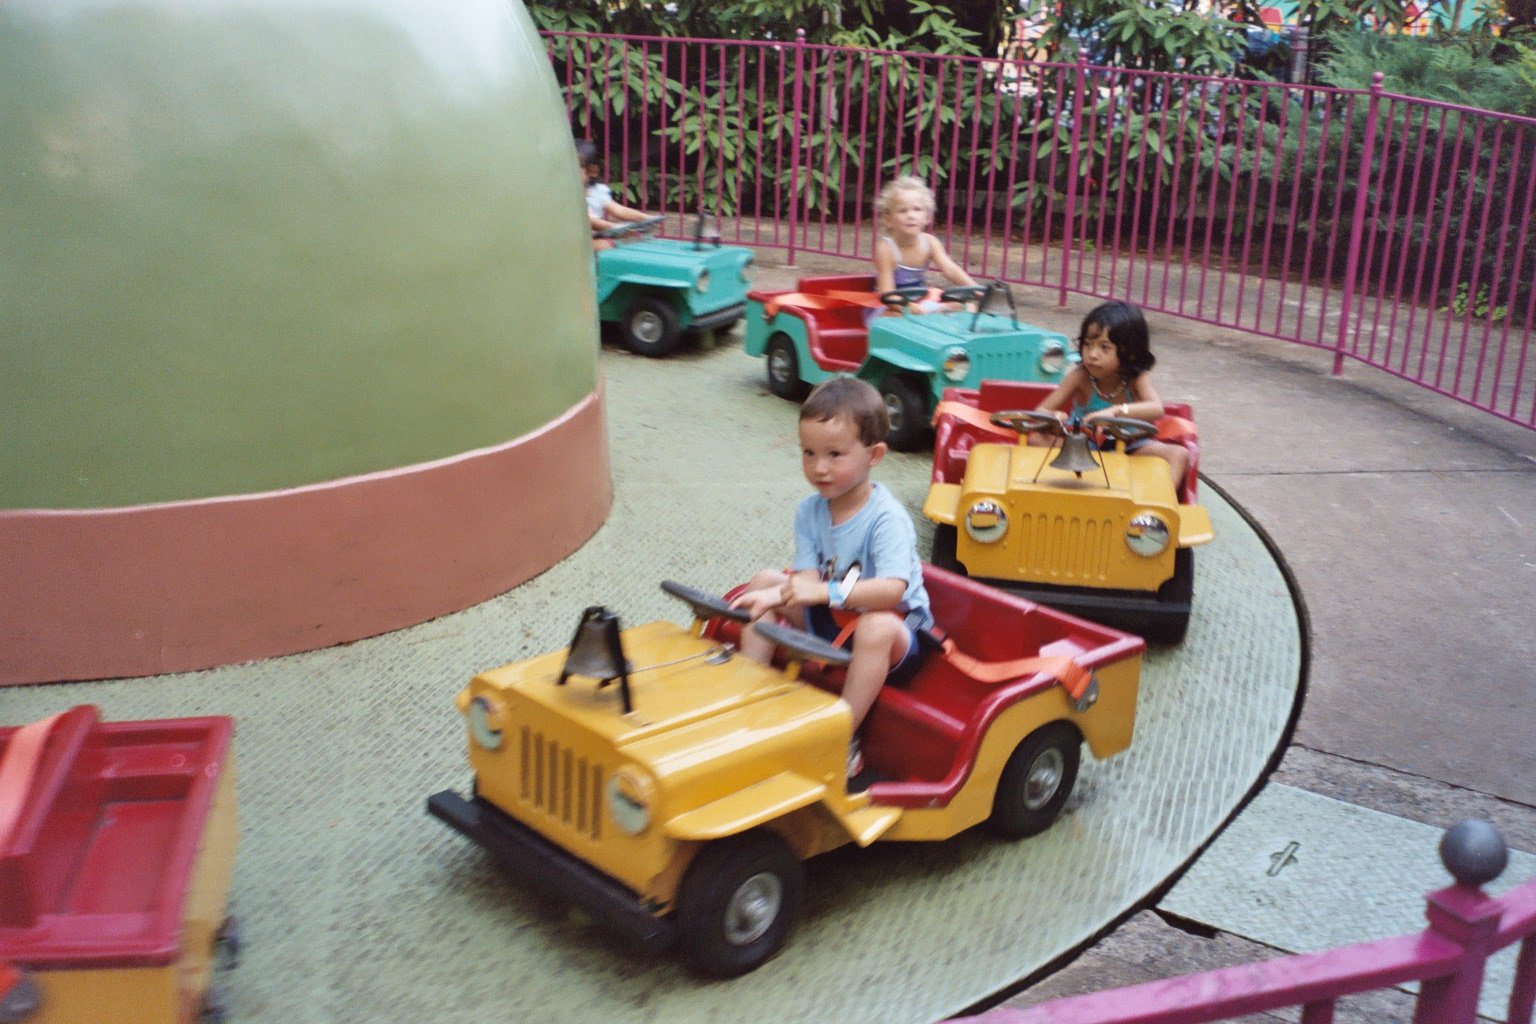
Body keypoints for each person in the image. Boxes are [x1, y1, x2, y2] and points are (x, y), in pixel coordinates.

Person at [731, 377, 933, 780]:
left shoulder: (886, 518)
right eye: (809, 453)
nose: (819, 468)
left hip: (894, 634)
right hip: (831, 623)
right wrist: (777, 594)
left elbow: (893, 592)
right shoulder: (811, 510)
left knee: (874, 628)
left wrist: (820, 590)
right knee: (763, 582)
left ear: (874, 455)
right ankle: (746, 699)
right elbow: (804, 580)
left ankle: (843, 737)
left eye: (835, 454)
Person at [1032, 301, 1190, 492]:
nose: (1092, 354)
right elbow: (1040, 411)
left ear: (1130, 353)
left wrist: (1115, 412)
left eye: (1104, 348)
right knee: (1034, 439)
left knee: (1179, 454)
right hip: (1081, 447)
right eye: (1088, 345)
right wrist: (1054, 418)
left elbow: (1156, 409)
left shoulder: (1136, 379)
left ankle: (1158, 509)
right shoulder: (1080, 376)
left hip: (1130, 446)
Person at [872, 175, 976, 312]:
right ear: (888, 219)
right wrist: (910, 308)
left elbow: (951, 269)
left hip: (919, 303)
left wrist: (976, 289)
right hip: (888, 306)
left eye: (917, 209)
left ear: (927, 217)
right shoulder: (886, 249)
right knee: (902, 319)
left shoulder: (929, 242)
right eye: (903, 210)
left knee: (969, 306)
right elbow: (887, 294)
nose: (911, 216)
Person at [576, 139, 652, 249]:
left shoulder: (598, 191)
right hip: (575, 240)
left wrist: (645, 218)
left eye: (577, 167)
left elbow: (618, 210)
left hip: (593, 236)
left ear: (592, 170)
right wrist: (614, 227)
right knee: (607, 244)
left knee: (621, 243)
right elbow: (585, 219)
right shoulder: (565, 193)